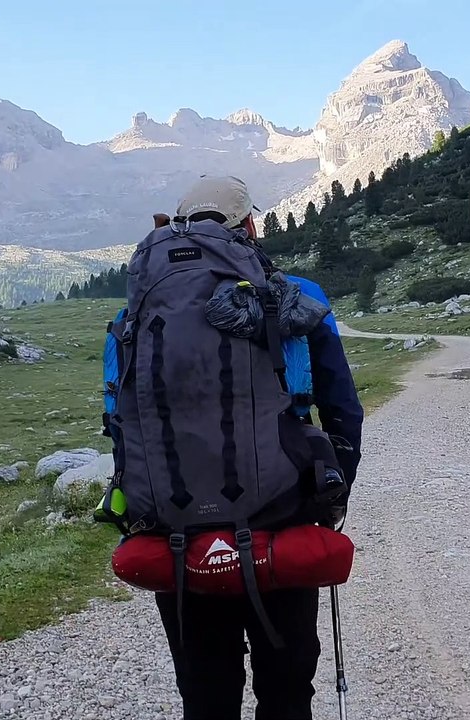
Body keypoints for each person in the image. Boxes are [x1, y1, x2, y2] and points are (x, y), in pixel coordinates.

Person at [152, 175, 364, 720]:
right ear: (249, 225)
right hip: (282, 519)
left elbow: (120, 416)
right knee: (287, 692)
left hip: (180, 531)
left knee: (205, 698)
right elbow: (342, 408)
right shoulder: (300, 296)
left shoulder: (138, 311)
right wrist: (332, 491)